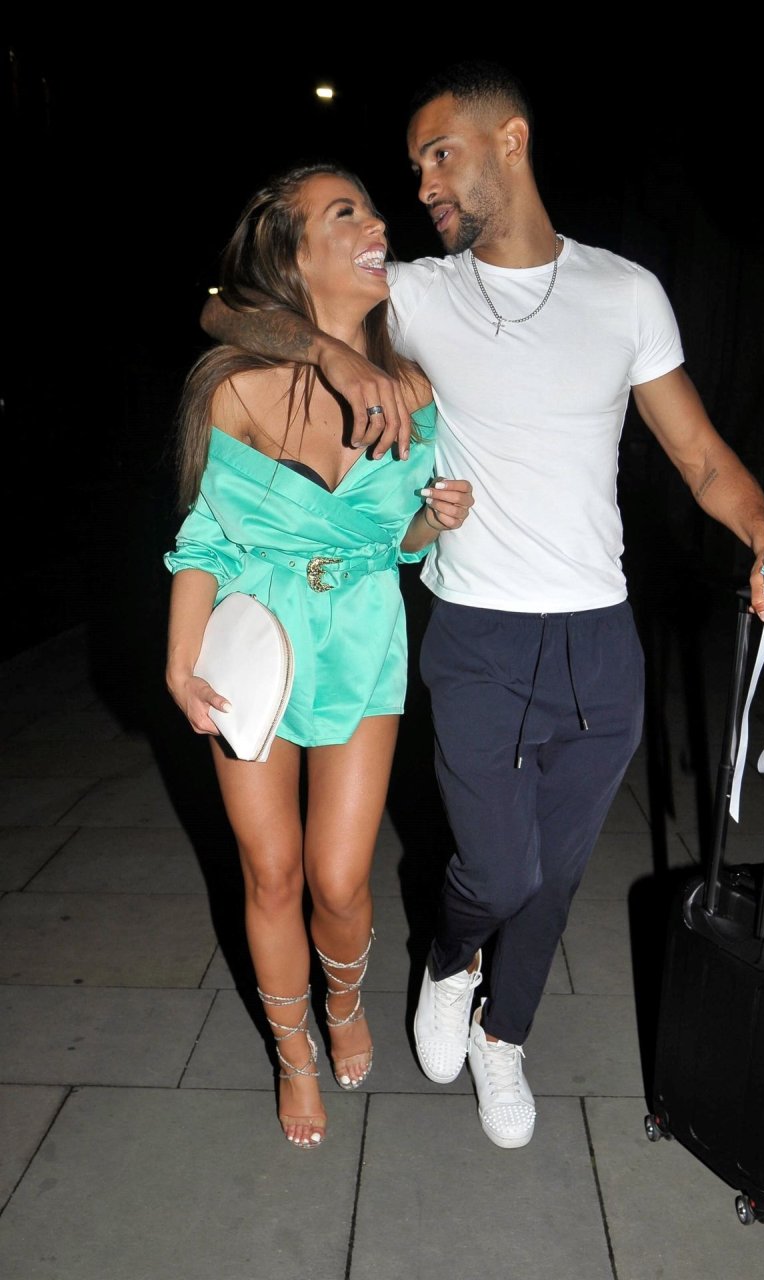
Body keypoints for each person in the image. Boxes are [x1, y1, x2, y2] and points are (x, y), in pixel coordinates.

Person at [199, 61, 764, 1151]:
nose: (424, 186)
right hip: (477, 634)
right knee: (497, 868)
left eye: (440, 155)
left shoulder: (626, 293)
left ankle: (506, 1033)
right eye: (414, 167)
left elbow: (699, 456)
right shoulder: (420, 292)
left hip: (599, 638)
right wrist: (332, 352)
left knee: (558, 873)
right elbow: (225, 308)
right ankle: (450, 960)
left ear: (511, 142)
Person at [165, 161, 473, 1150]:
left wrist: (432, 520)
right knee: (271, 871)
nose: (378, 221)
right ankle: (293, 1050)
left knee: (340, 879)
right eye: (346, 212)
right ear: (293, 254)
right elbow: (204, 540)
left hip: (363, 641)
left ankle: (344, 999)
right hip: (254, 642)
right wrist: (179, 661)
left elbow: (401, 545)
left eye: (373, 208)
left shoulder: (416, 390)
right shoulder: (236, 388)